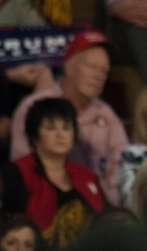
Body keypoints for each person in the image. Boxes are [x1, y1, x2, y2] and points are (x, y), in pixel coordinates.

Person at [10, 30, 129, 206]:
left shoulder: (107, 115)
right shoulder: (34, 107)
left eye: (104, 71)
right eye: (91, 67)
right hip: (42, 205)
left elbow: (121, 173)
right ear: (69, 66)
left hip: (97, 209)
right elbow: (21, 170)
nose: (98, 76)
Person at [1, 98, 106, 246]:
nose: (60, 134)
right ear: (35, 134)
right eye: (50, 128)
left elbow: (106, 217)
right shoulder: (15, 173)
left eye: (66, 127)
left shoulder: (87, 175)